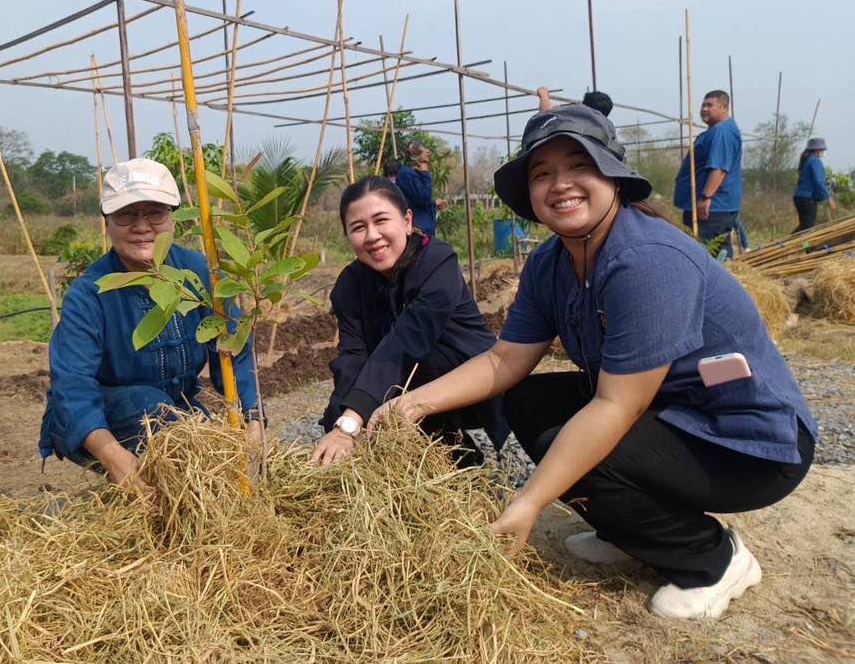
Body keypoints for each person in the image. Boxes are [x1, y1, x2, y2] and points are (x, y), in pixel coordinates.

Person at [367, 105, 817, 620]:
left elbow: (614, 407)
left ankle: (713, 560)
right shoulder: (549, 262)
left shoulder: (648, 261)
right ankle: (634, 533)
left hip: (746, 441)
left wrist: (528, 503)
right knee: (526, 402)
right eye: (542, 174)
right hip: (671, 414)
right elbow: (506, 360)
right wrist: (409, 405)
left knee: (577, 449)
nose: (561, 185)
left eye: (579, 166)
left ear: (615, 177)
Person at [39, 158, 263, 490]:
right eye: (126, 214)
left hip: (173, 412)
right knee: (157, 416)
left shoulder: (199, 273)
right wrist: (112, 455)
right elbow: (72, 387)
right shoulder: (90, 294)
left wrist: (253, 418)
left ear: (172, 219)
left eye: (155, 213)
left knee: (200, 439)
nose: (142, 226)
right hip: (106, 416)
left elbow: (234, 351)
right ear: (108, 223)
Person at [310, 176, 509, 467]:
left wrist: (353, 420)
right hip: (398, 376)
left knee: (408, 377)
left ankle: (458, 461)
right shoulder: (350, 284)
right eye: (358, 227)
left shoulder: (436, 262)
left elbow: (407, 341)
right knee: (339, 411)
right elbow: (353, 355)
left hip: (465, 378)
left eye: (381, 220)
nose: (372, 236)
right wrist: (341, 422)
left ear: (406, 221)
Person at [674, 90, 743, 257]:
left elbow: (718, 169)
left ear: (724, 107)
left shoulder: (722, 132)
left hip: (713, 207)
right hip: (716, 206)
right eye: (703, 105)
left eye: (710, 105)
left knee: (703, 253)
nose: (704, 109)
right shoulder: (718, 131)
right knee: (720, 252)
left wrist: (706, 198)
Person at [395, 141, 446, 238]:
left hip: (424, 230)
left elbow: (419, 202)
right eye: (422, 149)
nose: (428, 151)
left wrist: (434, 203)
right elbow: (423, 198)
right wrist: (426, 174)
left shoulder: (415, 173)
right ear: (414, 154)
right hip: (417, 232)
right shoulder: (406, 174)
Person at [792, 137, 836, 232]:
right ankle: (786, 245)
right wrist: (828, 198)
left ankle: (800, 245)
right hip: (807, 198)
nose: (824, 151)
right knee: (807, 227)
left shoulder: (807, 161)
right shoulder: (815, 161)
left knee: (805, 225)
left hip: (800, 197)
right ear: (816, 150)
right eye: (822, 149)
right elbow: (819, 181)